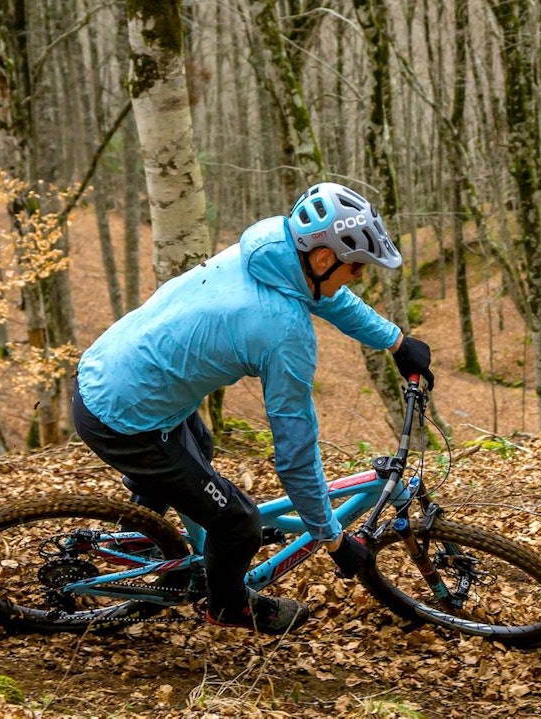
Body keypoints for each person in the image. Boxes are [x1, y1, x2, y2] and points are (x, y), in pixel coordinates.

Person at [72, 182, 435, 635]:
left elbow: (327, 296)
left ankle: (148, 538)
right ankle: (227, 606)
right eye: (357, 267)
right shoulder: (282, 330)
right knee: (240, 524)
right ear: (323, 259)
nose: (359, 277)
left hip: (111, 368)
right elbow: (296, 454)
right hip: (124, 418)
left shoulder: (269, 245)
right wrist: (332, 537)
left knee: (198, 445)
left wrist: (396, 341)